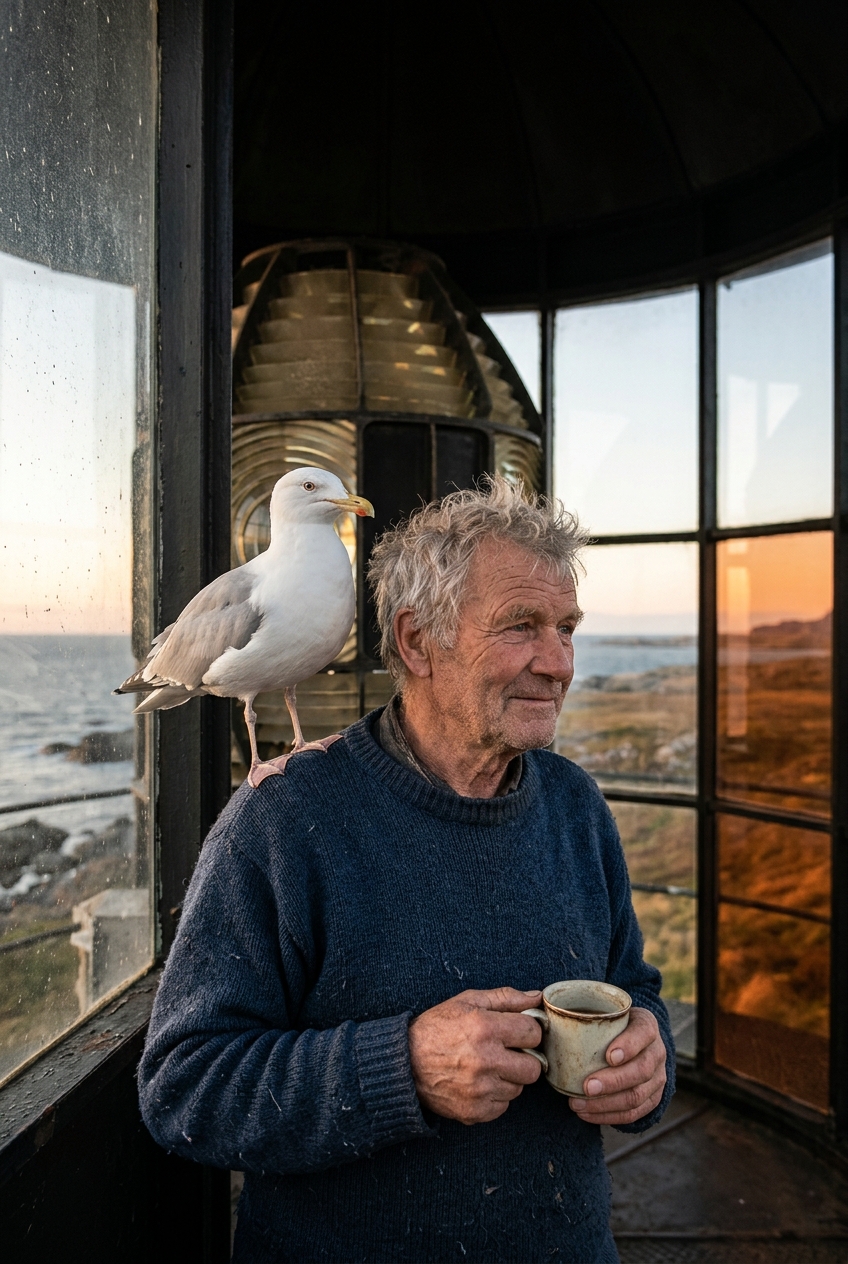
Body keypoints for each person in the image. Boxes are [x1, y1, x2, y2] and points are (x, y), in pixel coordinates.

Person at [138, 476, 674, 1263]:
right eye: (521, 626)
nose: (559, 664)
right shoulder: (285, 823)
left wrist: (647, 1055)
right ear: (418, 640)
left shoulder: (574, 806)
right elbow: (185, 1088)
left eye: (567, 628)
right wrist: (403, 1070)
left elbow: (636, 987)